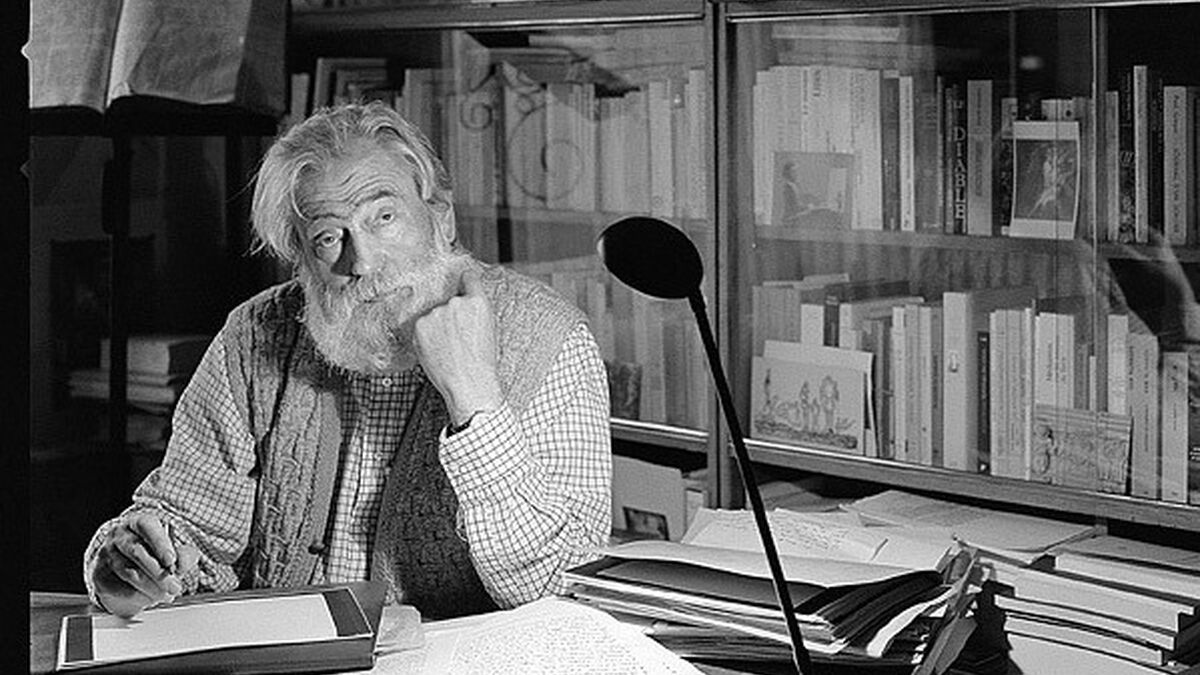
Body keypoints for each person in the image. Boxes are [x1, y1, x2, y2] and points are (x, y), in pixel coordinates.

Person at [82, 101, 613, 620]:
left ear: (441, 218)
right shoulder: (254, 335)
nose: (362, 261)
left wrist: (475, 401)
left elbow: (563, 591)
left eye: (384, 217)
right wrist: (130, 569)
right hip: (284, 658)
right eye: (328, 237)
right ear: (301, 260)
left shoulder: (549, 338)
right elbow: (188, 533)